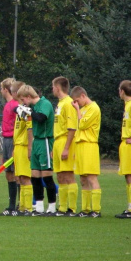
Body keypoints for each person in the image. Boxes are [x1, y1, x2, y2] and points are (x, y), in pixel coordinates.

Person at [18, 85, 57, 216]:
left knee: (46, 176)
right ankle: (39, 207)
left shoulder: (44, 103)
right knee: (34, 176)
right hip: (36, 141)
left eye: (23, 99)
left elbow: (41, 118)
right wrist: (21, 111)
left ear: (29, 96)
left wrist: (28, 111)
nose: (23, 102)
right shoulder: (32, 107)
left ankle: (52, 207)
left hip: (45, 140)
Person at [71, 86, 102, 217]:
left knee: (91, 177)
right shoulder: (83, 109)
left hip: (89, 145)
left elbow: (82, 124)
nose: (76, 103)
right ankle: (86, 209)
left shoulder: (94, 108)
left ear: (83, 95)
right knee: (83, 179)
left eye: (77, 100)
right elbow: (78, 128)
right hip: (80, 145)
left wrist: (77, 110)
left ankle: (96, 210)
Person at [51, 77, 79, 217]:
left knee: (68, 175)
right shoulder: (60, 103)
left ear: (58, 87)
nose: (52, 89)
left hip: (65, 141)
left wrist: (66, 147)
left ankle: (72, 209)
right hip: (57, 141)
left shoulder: (68, 103)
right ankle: (62, 208)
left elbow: (72, 128)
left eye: (53, 86)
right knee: (60, 175)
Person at [11, 81, 33, 216]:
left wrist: (29, 147)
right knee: (20, 177)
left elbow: (30, 128)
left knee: (26, 177)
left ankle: (28, 208)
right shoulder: (20, 109)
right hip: (18, 146)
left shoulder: (26, 111)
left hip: (24, 146)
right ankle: (22, 207)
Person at [0, 78, 19, 215]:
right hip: (6, 140)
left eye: (1, 88)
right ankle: (11, 205)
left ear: (6, 89)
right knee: (8, 173)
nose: (0, 91)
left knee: (17, 173)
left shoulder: (15, 105)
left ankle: (19, 204)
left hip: (13, 140)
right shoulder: (7, 105)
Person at [116, 80, 131, 219]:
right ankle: (130, 207)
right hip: (125, 145)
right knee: (128, 176)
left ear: (122, 91)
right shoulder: (128, 105)